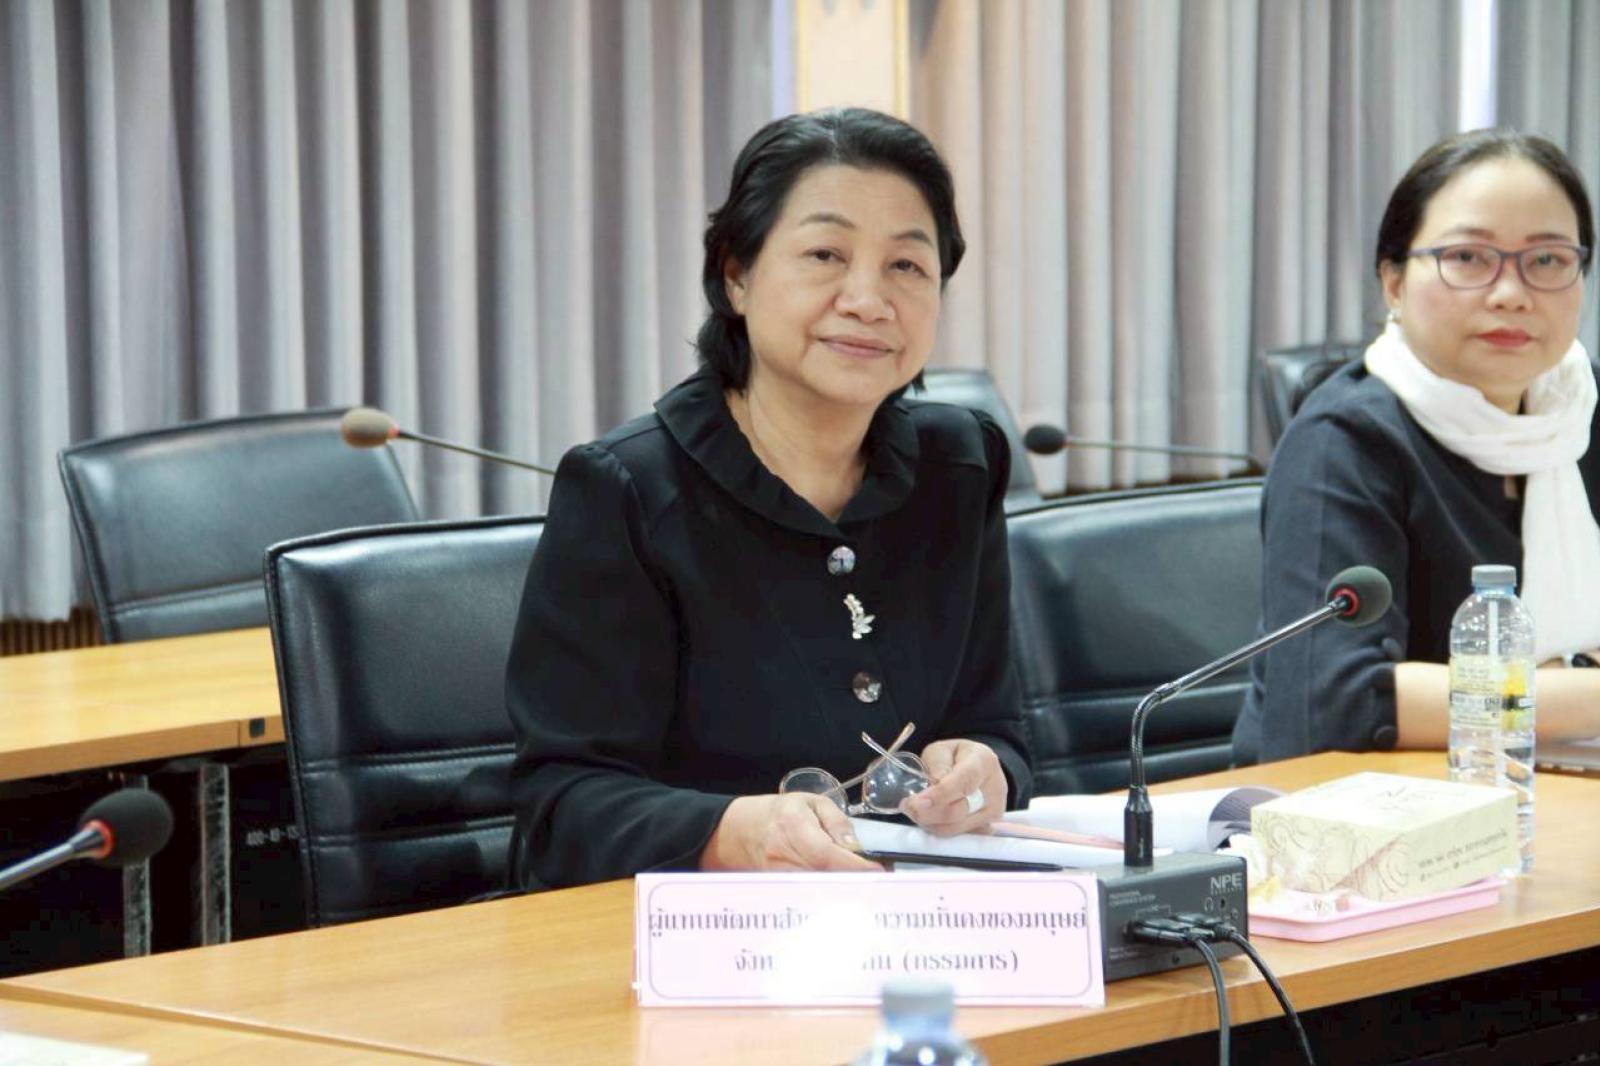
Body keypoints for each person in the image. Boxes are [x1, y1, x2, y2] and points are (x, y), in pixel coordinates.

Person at [506, 108, 1032, 890]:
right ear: (737, 276)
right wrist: (731, 834)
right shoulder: (626, 488)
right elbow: (559, 810)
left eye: (907, 266)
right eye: (825, 255)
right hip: (700, 933)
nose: (868, 300)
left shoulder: (959, 464)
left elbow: (998, 728)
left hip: (917, 920)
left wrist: (986, 771)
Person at [1234, 128, 1600, 765]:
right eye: (1468, 258)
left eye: (1547, 260)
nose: (1512, 293)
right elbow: (1336, 700)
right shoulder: (1345, 442)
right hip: (1375, 804)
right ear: (1393, 282)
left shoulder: (1585, 412)